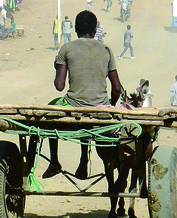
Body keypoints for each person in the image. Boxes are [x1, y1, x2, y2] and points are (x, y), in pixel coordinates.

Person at [44, 10, 123, 179]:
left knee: (52, 107)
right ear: (95, 30)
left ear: (75, 30)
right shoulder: (106, 50)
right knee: (88, 119)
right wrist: (110, 105)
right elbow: (117, 88)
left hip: (74, 107)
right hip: (100, 107)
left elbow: (59, 86)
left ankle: (55, 161)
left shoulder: (66, 49)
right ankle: (84, 160)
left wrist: (57, 67)